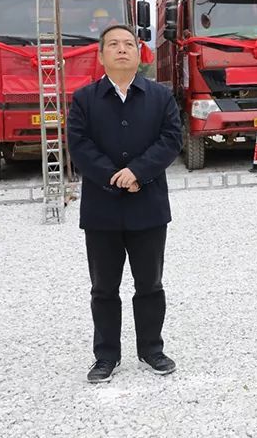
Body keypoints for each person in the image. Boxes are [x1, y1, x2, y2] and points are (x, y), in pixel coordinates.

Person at [67, 25, 183, 383]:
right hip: (101, 210)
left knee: (150, 285)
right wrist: (113, 176)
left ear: (139, 53)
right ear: (101, 55)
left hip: (148, 207)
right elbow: (79, 145)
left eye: (129, 44)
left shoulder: (160, 96)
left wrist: (137, 171)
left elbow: (171, 139)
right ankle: (106, 356)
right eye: (113, 45)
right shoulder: (84, 99)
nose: (121, 50)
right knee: (103, 288)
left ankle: (151, 349)